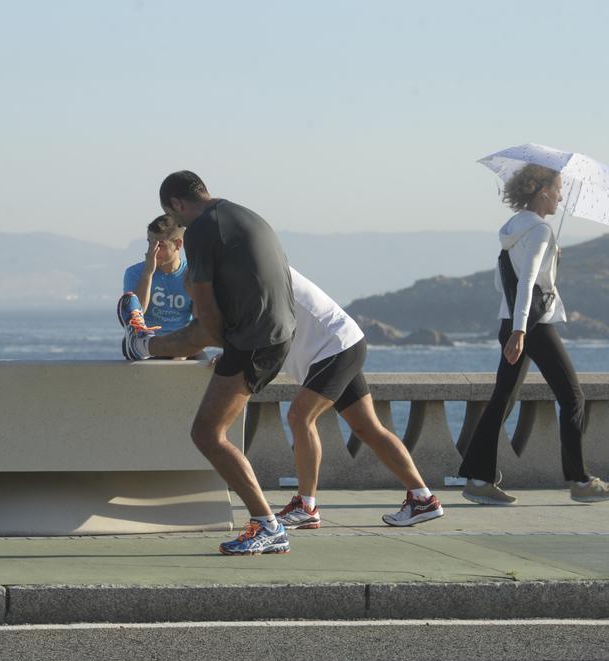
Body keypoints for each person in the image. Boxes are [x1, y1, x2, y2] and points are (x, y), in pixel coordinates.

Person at [122, 170, 296, 555]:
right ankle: (268, 524)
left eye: (174, 215)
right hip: (277, 332)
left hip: (252, 340)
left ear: (177, 204)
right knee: (214, 430)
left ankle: (268, 525)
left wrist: (148, 347)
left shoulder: (200, 229)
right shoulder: (244, 214)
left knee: (207, 433)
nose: (178, 223)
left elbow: (207, 328)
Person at [458, 163, 609, 505]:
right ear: (542, 190)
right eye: (558, 189)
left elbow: (500, 282)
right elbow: (528, 282)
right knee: (572, 397)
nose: (561, 197)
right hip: (532, 325)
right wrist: (522, 330)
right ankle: (580, 481)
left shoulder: (512, 228)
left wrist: (514, 326)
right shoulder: (539, 231)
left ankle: (478, 479)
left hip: (511, 321)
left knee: (503, 398)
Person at [275, 268, 444, 528]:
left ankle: (306, 506)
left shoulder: (257, 267)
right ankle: (423, 499)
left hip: (333, 347)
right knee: (367, 427)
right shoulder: (252, 264)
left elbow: (260, 330)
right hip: (342, 343)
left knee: (299, 416)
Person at [122, 215, 192, 335]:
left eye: (160, 245)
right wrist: (148, 274)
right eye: (150, 244)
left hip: (182, 341)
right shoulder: (135, 273)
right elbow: (138, 313)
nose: (152, 251)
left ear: (178, 244)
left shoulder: (192, 273)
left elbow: (200, 319)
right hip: (149, 342)